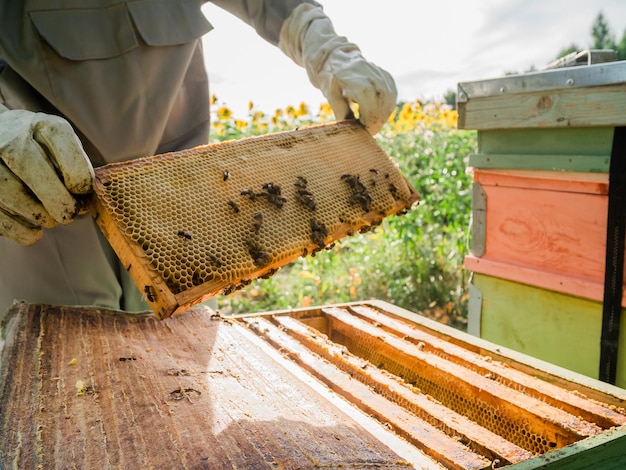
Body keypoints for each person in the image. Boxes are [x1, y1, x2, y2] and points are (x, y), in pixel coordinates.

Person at [0, 1, 397, 314]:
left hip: (188, 205)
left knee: (182, 372)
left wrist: (326, 49)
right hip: (48, 190)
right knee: (69, 376)